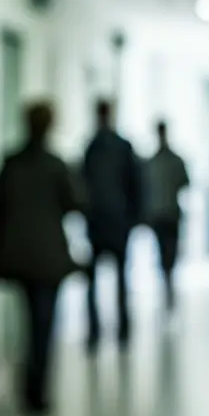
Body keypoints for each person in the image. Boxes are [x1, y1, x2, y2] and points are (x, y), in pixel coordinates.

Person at [0, 100, 85, 416]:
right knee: (44, 323)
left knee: (30, 319)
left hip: (18, 255)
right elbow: (76, 202)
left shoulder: (11, 162)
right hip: (48, 256)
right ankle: (37, 392)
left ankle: (29, 386)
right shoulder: (56, 165)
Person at [81, 99, 143, 351]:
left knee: (100, 279)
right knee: (116, 278)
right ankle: (117, 329)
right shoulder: (116, 147)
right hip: (114, 222)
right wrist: (134, 218)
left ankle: (100, 330)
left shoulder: (93, 148)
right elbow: (136, 185)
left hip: (101, 222)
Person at [144, 121, 190, 313]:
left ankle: (168, 279)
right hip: (165, 215)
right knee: (166, 251)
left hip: (165, 214)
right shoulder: (161, 162)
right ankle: (167, 281)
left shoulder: (154, 163)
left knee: (168, 252)